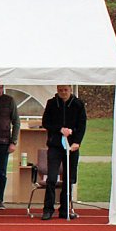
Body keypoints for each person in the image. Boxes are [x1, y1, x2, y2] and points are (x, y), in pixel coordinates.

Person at [40, 84, 87, 220]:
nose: (63, 92)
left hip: (72, 146)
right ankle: (48, 209)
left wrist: (77, 141)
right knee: (52, 178)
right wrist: (59, 129)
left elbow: (82, 124)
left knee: (69, 178)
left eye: (65, 90)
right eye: (60, 90)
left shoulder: (78, 104)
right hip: (55, 146)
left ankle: (64, 209)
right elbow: (46, 122)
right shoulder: (52, 103)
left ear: (70, 90)